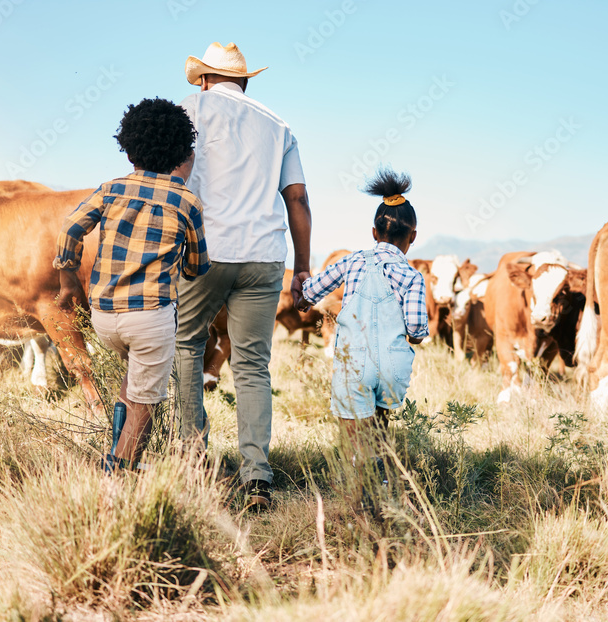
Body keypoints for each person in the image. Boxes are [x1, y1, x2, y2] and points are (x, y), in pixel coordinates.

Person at [175, 42, 312, 510]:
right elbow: (297, 200)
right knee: (252, 365)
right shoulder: (278, 124)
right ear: (245, 81)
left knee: (187, 347)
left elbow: (169, 182)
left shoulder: (186, 110)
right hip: (265, 256)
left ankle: (194, 463)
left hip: (204, 250)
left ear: (205, 80)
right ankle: (257, 476)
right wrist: (304, 267)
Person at [54, 98, 209, 471]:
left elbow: (70, 228)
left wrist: (68, 281)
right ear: (183, 155)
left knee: (132, 382)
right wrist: (184, 267)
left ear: (129, 153)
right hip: (150, 318)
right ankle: (118, 472)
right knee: (145, 404)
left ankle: (117, 452)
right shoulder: (187, 201)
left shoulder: (112, 189)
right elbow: (197, 267)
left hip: (105, 317)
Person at [302, 168, 428, 494]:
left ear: (374, 232)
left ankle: (360, 491)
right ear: (412, 237)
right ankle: (383, 484)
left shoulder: (353, 261)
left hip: (352, 362)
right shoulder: (412, 276)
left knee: (355, 437)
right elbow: (417, 326)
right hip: (392, 367)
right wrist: (411, 336)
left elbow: (313, 290)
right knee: (380, 429)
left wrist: (302, 298)